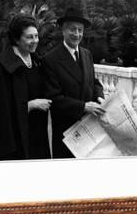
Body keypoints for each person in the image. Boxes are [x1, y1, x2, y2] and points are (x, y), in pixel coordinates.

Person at [0, 15, 52, 161]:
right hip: (16, 138)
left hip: (37, 132)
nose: (35, 41)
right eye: (29, 37)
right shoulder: (3, 68)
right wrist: (30, 105)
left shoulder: (36, 61)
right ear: (16, 39)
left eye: (36, 36)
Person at [42, 8, 105, 158]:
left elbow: (94, 82)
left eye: (80, 30)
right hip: (67, 132)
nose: (77, 34)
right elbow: (54, 99)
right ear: (63, 30)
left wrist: (100, 97)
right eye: (72, 29)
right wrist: (84, 106)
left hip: (90, 128)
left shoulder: (86, 54)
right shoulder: (50, 60)